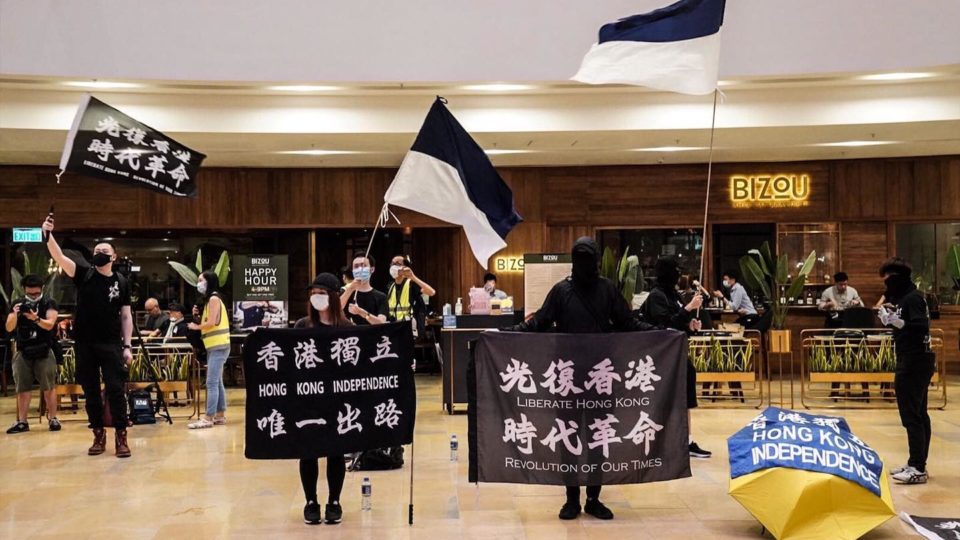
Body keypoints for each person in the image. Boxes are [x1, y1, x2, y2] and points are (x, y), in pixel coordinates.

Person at [510, 237, 658, 521]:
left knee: (598, 438)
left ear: (596, 260)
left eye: (588, 258)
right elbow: (539, 322)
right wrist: (510, 332)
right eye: (579, 258)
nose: (584, 264)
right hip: (567, 379)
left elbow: (627, 323)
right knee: (569, 438)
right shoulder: (561, 291)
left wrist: (658, 332)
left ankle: (593, 498)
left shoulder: (608, 290)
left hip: (601, 377)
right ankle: (571, 499)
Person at [42, 216, 134, 458]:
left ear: (114, 256)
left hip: (112, 343)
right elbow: (59, 257)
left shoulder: (122, 281)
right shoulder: (84, 273)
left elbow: (126, 316)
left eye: (104, 251)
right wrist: (48, 234)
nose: (99, 253)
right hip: (85, 343)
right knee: (91, 390)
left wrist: (128, 345)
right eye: (96, 250)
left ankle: (121, 437)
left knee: (115, 389)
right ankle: (98, 434)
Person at [294, 272, 351, 525]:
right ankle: (310, 501)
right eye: (313, 294)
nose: (317, 298)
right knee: (308, 452)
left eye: (322, 293)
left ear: (334, 297)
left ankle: (334, 501)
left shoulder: (346, 328)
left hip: (337, 401)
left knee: (335, 452)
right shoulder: (302, 326)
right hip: (308, 401)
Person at [642, 259, 712, 459]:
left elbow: (679, 322)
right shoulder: (656, 296)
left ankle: (686, 440)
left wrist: (691, 325)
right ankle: (660, 441)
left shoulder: (673, 295)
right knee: (665, 400)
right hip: (663, 360)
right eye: (674, 271)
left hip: (680, 355)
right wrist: (689, 308)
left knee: (686, 399)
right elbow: (665, 326)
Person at [877, 258, 934, 484]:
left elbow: (920, 326)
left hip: (914, 361)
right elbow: (907, 326)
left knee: (913, 415)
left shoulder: (913, 299)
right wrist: (891, 321)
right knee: (918, 414)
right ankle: (915, 462)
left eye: (888, 280)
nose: (886, 286)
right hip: (911, 358)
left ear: (897, 278)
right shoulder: (905, 299)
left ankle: (918, 467)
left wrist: (900, 323)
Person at [5, 274, 61, 434]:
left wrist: (35, 319)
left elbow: (50, 325)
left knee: (49, 386)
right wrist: (15, 314)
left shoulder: (49, 303)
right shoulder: (17, 303)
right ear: (24, 290)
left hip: (44, 349)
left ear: (42, 289)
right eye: (30, 294)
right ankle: (22, 421)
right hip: (23, 350)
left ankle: (53, 418)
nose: (34, 297)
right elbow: (9, 328)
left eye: (36, 293)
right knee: (22, 387)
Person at [187, 271, 230, 429]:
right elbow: (210, 321)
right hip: (215, 345)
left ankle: (208, 417)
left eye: (200, 280)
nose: (198, 283)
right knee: (217, 382)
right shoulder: (211, 300)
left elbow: (211, 322)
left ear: (208, 281)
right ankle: (219, 414)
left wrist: (195, 326)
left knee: (211, 382)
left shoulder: (213, 299)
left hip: (218, 345)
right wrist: (197, 317)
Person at [386, 255, 436, 331]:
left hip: (410, 330)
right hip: (395, 329)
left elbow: (431, 292)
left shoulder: (412, 284)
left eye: (397, 264)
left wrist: (413, 277)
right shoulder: (390, 286)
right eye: (392, 263)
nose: (393, 266)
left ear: (405, 267)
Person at [339, 254, 388, 326]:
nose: (360, 269)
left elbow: (381, 323)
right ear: (352, 271)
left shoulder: (381, 297)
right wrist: (350, 289)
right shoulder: (345, 292)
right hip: (351, 336)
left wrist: (361, 312)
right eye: (356, 266)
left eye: (363, 265)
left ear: (372, 269)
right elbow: (334, 310)